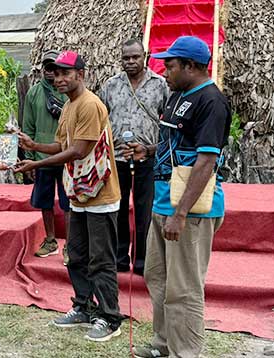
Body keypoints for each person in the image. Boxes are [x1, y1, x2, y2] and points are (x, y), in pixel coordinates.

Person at [127, 36, 231, 358]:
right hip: (163, 202)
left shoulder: (211, 102)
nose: (163, 70)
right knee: (157, 277)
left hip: (191, 210)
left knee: (184, 288)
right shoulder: (177, 96)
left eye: (170, 65)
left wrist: (181, 213)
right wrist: (149, 150)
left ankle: (185, 352)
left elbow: (206, 160)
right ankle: (164, 345)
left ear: (191, 66)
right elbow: (178, 144)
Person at [15, 51, 124, 342]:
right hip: (79, 194)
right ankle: (84, 307)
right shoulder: (69, 105)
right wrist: (34, 144)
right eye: (56, 73)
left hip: (100, 196)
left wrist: (35, 163)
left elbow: (78, 151)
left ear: (81, 74)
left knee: (100, 259)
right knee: (76, 255)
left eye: (66, 73)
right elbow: (61, 144)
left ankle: (110, 317)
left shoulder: (89, 105)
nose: (59, 78)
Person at [99, 39, 169, 275]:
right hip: (117, 158)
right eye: (126, 58)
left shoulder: (160, 85)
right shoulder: (111, 85)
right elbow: (101, 118)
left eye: (135, 57)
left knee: (144, 211)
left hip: (147, 158)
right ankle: (119, 258)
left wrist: (155, 148)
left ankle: (142, 261)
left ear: (144, 56)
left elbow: (168, 123)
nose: (131, 62)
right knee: (117, 209)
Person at [22, 49, 71, 264]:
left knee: (69, 201)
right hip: (41, 156)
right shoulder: (34, 93)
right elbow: (28, 126)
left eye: (55, 68)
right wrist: (30, 157)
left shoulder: (68, 91)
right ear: (43, 69)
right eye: (48, 68)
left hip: (67, 154)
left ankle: (70, 244)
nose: (51, 73)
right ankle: (50, 240)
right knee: (45, 200)